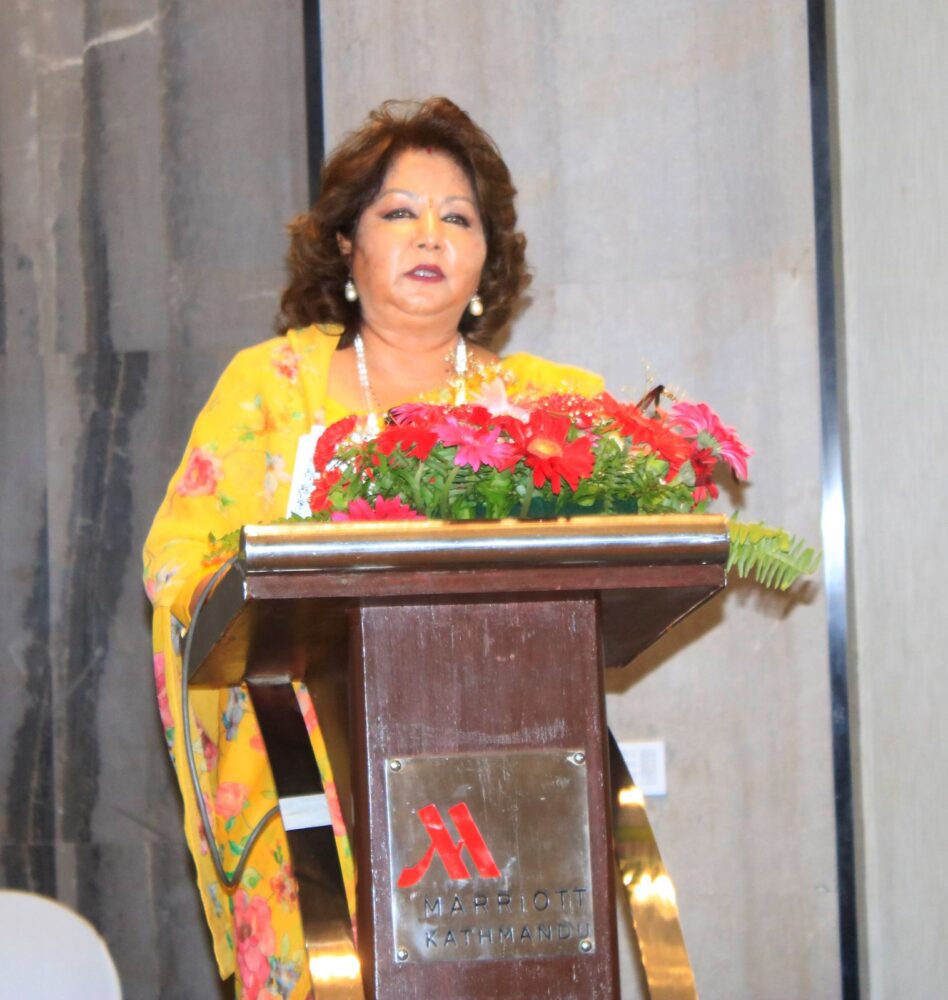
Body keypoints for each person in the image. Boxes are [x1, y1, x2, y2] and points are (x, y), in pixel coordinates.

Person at [143, 96, 603, 999]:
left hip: (498, 781)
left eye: (458, 218)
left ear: (488, 258)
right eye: (400, 212)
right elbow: (178, 561)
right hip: (301, 775)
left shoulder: (548, 410)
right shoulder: (272, 386)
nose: (431, 235)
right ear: (346, 244)